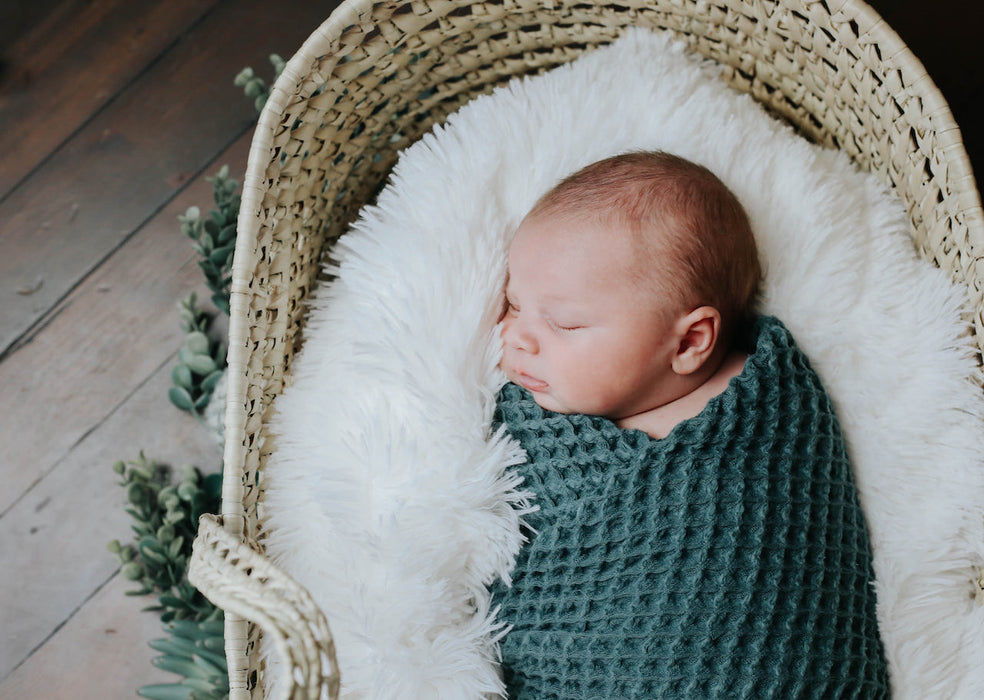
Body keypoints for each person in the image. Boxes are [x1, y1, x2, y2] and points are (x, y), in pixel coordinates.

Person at [491, 151, 889, 698]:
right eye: (513, 305)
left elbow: (798, 546)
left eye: (564, 322)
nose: (517, 337)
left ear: (689, 342)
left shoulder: (768, 404)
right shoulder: (540, 424)